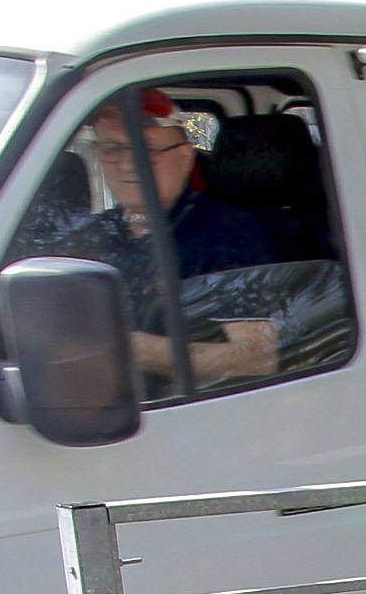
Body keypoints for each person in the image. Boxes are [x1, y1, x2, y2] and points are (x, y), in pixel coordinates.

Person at [28, 90, 288, 387]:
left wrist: (130, 348)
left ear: (185, 156)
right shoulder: (91, 235)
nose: (127, 165)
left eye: (146, 149)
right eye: (112, 148)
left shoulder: (231, 234)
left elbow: (257, 357)